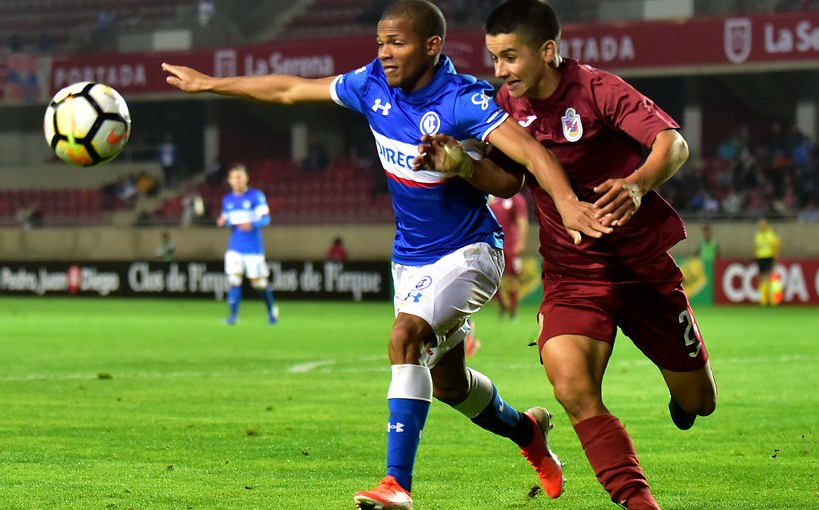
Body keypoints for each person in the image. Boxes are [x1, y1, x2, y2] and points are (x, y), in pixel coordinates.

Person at [163, 2, 612, 507]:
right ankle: (527, 432)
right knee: (449, 385)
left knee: (405, 338)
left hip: (469, 251)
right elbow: (291, 89)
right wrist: (210, 84)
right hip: (411, 260)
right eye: (380, 42)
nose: (385, 53)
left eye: (396, 43)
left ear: (431, 45)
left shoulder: (462, 98)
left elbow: (530, 152)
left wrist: (569, 205)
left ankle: (396, 484)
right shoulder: (371, 83)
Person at [414, 2, 716, 508]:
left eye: (510, 57)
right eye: (494, 58)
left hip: (642, 269)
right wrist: (462, 165)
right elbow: (508, 179)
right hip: (573, 274)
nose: (501, 71)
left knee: (698, 402)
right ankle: (640, 502)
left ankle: (684, 397)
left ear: (547, 51)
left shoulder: (598, 89)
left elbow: (673, 144)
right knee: (573, 389)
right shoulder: (505, 107)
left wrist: (639, 186)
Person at [217, 164, 278, 325]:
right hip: (234, 247)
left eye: (239, 177)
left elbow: (266, 219)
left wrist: (253, 224)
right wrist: (223, 222)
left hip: (253, 248)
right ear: (229, 180)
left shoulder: (255, 196)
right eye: (233, 177)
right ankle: (233, 316)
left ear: (246, 178)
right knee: (234, 280)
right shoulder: (227, 200)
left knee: (258, 283)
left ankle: (272, 310)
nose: (236, 180)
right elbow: (229, 222)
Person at [488, 193, 529, 321]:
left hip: (510, 245)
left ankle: (512, 310)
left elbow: (522, 220)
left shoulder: (516, 199)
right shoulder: (489, 197)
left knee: (513, 279)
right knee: (493, 280)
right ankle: (502, 305)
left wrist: (521, 243)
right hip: (492, 245)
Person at [754, 217, 780, 306]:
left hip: (769, 257)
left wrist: (775, 258)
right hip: (760, 257)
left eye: (763, 224)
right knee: (761, 278)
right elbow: (756, 247)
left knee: (769, 278)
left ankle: (772, 299)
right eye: (760, 224)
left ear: (767, 224)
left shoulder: (771, 234)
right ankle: (763, 300)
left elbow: (776, 247)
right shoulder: (758, 235)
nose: (761, 226)